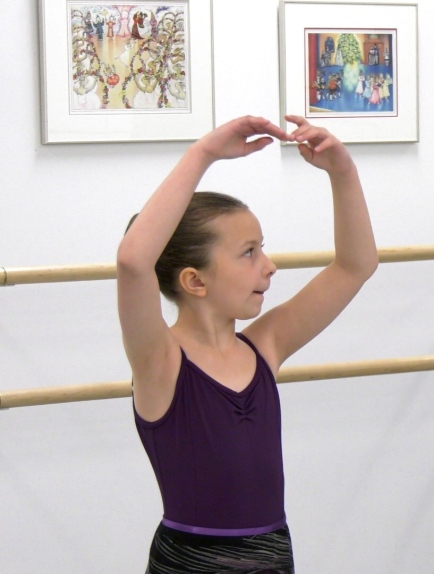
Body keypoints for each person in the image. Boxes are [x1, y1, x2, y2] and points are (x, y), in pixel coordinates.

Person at [117, 115, 377, 572]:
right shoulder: (159, 362)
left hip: (273, 555)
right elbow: (134, 261)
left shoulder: (265, 346)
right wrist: (203, 154)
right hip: (190, 562)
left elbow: (356, 265)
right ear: (195, 280)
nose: (269, 265)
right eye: (249, 252)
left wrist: (343, 172)